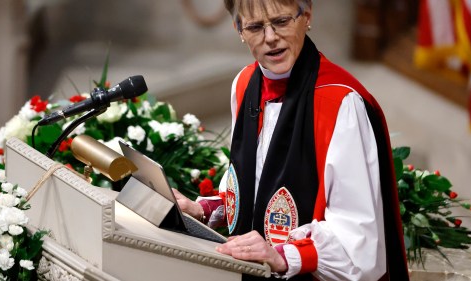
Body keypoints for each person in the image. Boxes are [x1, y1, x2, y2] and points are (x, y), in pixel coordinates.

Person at [173, 0, 409, 280]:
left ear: (306, 15)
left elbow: (359, 244)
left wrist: (282, 256)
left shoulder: (340, 104)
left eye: (281, 22)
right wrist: (203, 209)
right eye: (255, 27)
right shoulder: (245, 83)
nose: (270, 37)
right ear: (239, 30)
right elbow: (254, 189)